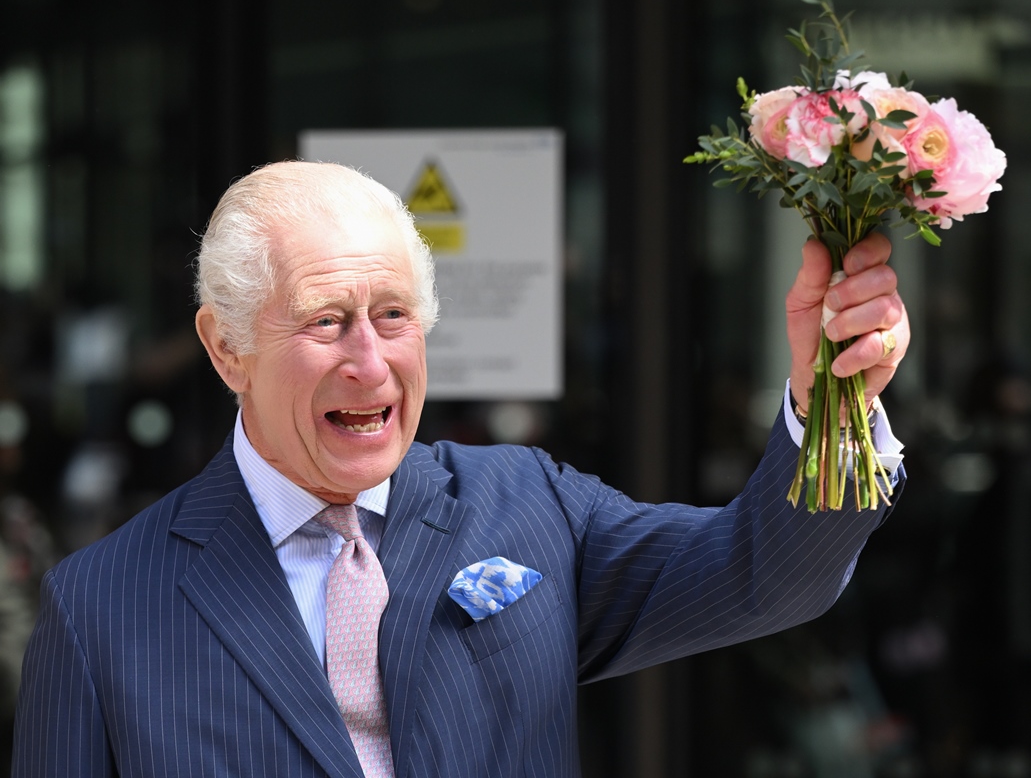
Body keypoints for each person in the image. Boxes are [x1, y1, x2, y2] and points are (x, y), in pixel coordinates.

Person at [12, 160, 909, 777]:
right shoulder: (101, 606)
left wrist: (834, 400)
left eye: (394, 315)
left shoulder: (527, 507)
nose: (370, 362)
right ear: (227, 348)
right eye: (325, 320)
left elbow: (766, 573)